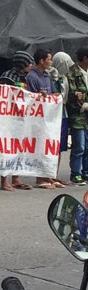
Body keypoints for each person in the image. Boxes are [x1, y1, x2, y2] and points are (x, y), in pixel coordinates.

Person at [0, 50, 35, 191]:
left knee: (20, 147)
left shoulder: (26, 77)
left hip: (21, 118)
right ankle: (4, 179)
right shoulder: (8, 77)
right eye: (29, 63)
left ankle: (16, 177)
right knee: (6, 149)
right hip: (8, 118)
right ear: (22, 63)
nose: (31, 66)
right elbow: (1, 95)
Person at [26, 49, 60, 190]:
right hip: (37, 118)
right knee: (39, 147)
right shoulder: (32, 77)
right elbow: (30, 97)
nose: (50, 62)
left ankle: (48, 176)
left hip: (48, 117)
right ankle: (40, 178)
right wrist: (39, 95)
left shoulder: (47, 75)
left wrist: (55, 95)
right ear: (41, 61)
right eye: (49, 59)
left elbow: (52, 92)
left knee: (48, 146)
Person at [51, 52, 74, 188]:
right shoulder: (50, 76)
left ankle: (55, 174)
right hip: (52, 114)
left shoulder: (64, 79)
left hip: (63, 113)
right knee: (50, 145)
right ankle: (46, 175)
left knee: (60, 146)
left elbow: (65, 97)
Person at [67, 47, 88, 186]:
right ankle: (76, 173)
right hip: (78, 116)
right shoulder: (73, 73)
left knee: (87, 146)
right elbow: (74, 96)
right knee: (79, 146)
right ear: (85, 58)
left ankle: (85, 172)